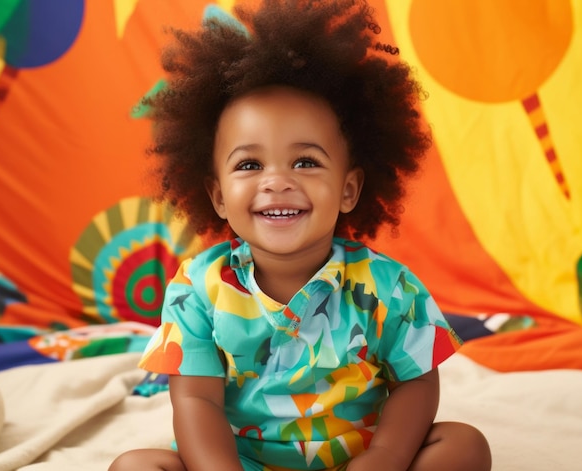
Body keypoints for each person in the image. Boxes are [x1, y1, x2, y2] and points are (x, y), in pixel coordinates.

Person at [110, 0, 492, 470]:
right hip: (241, 461)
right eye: (249, 165)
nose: (276, 181)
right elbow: (196, 401)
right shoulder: (197, 289)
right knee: (134, 466)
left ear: (349, 188)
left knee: (464, 446)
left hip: (358, 458)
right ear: (219, 197)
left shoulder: (389, 287)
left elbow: (416, 382)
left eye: (306, 162)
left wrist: (387, 456)